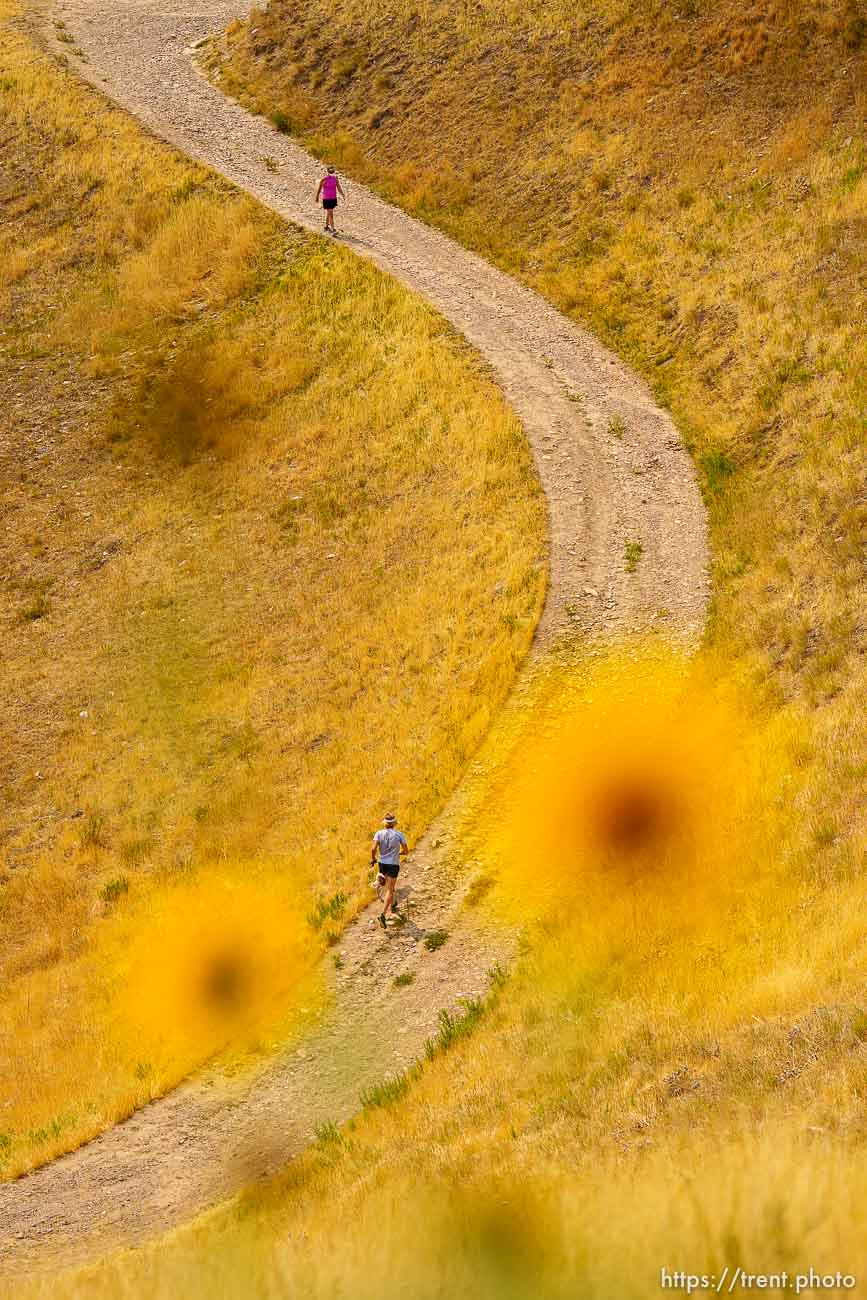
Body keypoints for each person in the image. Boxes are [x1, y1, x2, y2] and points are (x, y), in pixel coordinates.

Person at [371, 812, 408, 929]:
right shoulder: (399, 834)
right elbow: (406, 851)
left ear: (385, 824)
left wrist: (373, 858)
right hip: (393, 864)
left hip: (382, 863)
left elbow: (373, 849)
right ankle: (383, 914)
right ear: (394, 824)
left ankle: (392, 902)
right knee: (390, 890)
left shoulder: (379, 833)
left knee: (386, 885)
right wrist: (398, 853)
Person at [315, 166, 345, 235]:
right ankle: (333, 229)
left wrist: (342, 194)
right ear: (328, 171)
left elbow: (338, 187)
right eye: (331, 171)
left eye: (333, 171)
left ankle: (326, 226)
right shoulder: (324, 179)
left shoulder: (335, 178)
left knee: (329, 212)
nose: (332, 172)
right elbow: (319, 188)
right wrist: (317, 197)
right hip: (326, 198)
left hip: (333, 198)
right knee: (331, 212)